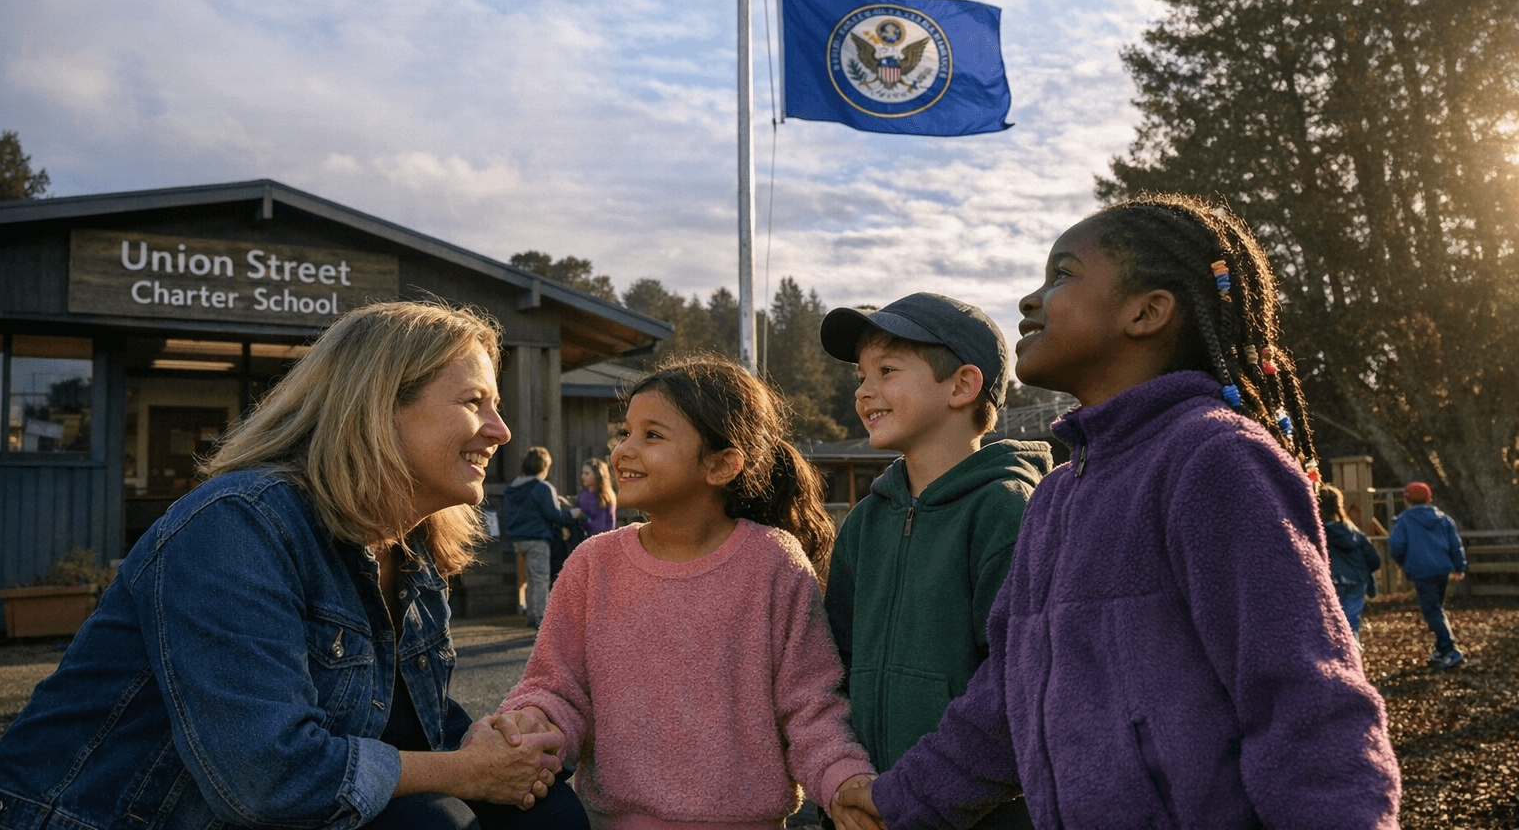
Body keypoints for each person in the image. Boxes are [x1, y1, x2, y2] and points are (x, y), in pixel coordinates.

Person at [839, 192, 1400, 829]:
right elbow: (1002, 701)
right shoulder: (1057, 495)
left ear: (1146, 312)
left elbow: (1304, 700)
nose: (1030, 300)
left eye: (1063, 275)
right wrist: (901, 799)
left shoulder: (1213, 457)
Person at [0, 300, 586, 830]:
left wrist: (487, 747)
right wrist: (463, 772)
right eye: (474, 402)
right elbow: (266, 778)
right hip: (93, 818)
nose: (501, 432)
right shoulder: (237, 526)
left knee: (542, 809)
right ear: (377, 408)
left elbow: (402, 727)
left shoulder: (410, 547)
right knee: (429, 820)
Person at [495, 358, 879, 830]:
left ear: (721, 464)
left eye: (652, 435)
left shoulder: (774, 564)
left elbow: (810, 705)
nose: (623, 451)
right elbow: (556, 687)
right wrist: (530, 721)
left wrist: (843, 781)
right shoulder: (593, 564)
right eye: (625, 432)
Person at [818, 293, 1051, 828]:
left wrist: (919, 793)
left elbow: (1017, 687)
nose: (864, 390)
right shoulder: (863, 522)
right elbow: (834, 665)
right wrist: (844, 780)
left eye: (888, 370)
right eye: (861, 375)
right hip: (867, 809)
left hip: (976, 815)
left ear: (963, 386)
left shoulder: (1007, 511)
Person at [1389, 480, 1468, 668]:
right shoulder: (1443, 519)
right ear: (1429, 499)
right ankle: (1441, 650)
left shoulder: (1404, 520)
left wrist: (1402, 562)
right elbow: (1455, 545)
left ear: (1406, 500)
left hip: (1421, 570)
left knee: (1432, 610)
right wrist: (1459, 566)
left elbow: (1397, 546)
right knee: (1436, 608)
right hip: (1442, 569)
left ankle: (1450, 648)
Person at [504, 446, 579, 628]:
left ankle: (531, 615)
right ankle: (542, 619)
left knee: (530, 578)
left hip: (518, 540)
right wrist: (573, 514)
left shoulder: (514, 487)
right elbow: (554, 515)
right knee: (540, 579)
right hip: (537, 539)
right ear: (544, 466)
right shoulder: (543, 488)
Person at [1318, 483, 1381, 645]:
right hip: (1357, 579)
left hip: (1331, 581)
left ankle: (1334, 656)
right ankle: (1352, 652)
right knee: (1351, 622)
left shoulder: (1318, 534)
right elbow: (1374, 559)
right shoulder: (1352, 530)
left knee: (1330, 623)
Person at [575, 457, 617, 536]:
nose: (582, 476)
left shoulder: (606, 496)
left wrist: (584, 519)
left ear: (598, 475)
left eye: (587, 474)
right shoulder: (583, 494)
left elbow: (604, 524)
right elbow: (577, 510)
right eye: (583, 473)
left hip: (602, 538)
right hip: (583, 539)